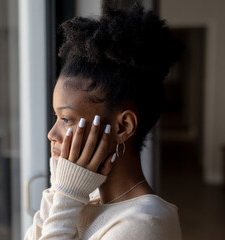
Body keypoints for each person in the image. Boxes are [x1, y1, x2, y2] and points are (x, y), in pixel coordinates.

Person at [25, 3, 182, 240]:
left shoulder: (146, 223)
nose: (51, 133)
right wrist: (59, 190)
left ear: (123, 127)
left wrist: (66, 195)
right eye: (55, 117)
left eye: (66, 118)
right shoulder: (80, 198)